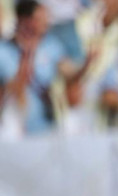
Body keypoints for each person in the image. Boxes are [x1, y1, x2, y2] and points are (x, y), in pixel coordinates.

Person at [0, 0, 96, 134]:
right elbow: (11, 92)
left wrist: (87, 64)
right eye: (41, 18)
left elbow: (70, 75)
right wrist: (26, 60)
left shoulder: (51, 46)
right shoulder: (3, 51)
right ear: (25, 21)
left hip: (47, 127)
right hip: (14, 128)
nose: (47, 22)